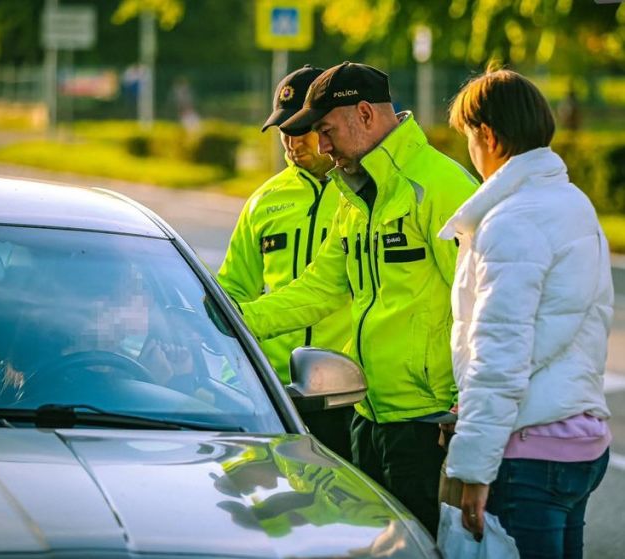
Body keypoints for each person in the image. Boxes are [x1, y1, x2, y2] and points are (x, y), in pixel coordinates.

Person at [239, 61, 478, 536]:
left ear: (364, 114)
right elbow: (319, 287)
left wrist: (467, 411)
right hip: (366, 418)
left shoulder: (441, 188)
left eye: (326, 130)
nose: (322, 146)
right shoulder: (354, 195)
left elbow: (481, 310)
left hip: (428, 426)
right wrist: (231, 321)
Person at [441, 68, 613, 557]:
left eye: (469, 139)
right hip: (581, 442)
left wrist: (472, 470)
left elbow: (499, 359)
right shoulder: (573, 203)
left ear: (489, 136)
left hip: (528, 453)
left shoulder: (511, 221)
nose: (470, 153)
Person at [216, 65, 353, 460]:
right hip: (273, 392)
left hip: (349, 393)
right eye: (283, 132)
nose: (291, 143)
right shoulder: (263, 201)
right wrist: (234, 374)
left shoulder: (361, 196)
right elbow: (232, 290)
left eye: (300, 129)